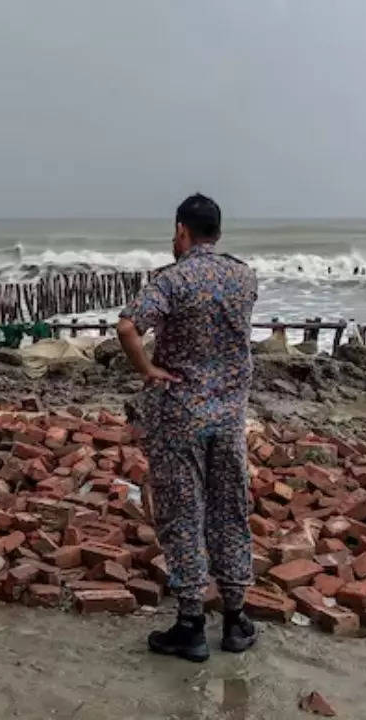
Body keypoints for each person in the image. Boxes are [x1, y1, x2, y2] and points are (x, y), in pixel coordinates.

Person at [116, 194, 258, 663]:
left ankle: (191, 624)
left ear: (181, 231)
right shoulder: (244, 276)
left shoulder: (171, 281)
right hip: (230, 415)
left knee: (184, 514)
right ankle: (237, 620)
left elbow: (127, 328)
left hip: (181, 417)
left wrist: (148, 371)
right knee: (230, 510)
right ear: (217, 233)